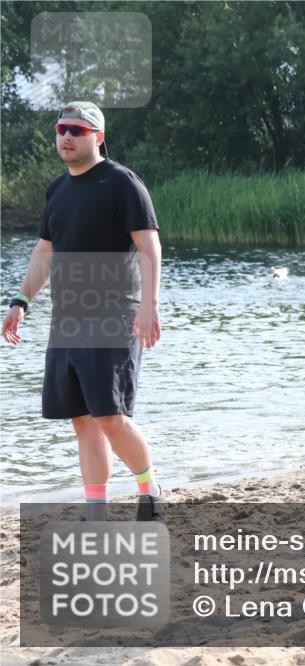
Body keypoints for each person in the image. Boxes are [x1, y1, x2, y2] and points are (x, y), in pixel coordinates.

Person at [2, 101, 164, 521]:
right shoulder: (58, 188)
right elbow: (45, 252)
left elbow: (149, 246)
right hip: (67, 317)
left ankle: (149, 490)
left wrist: (150, 305)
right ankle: (97, 511)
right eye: (61, 129)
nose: (67, 136)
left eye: (77, 129)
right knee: (83, 419)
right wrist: (21, 301)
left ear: (99, 137)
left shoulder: (122, 182)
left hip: (114, 313)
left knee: (110, 415)